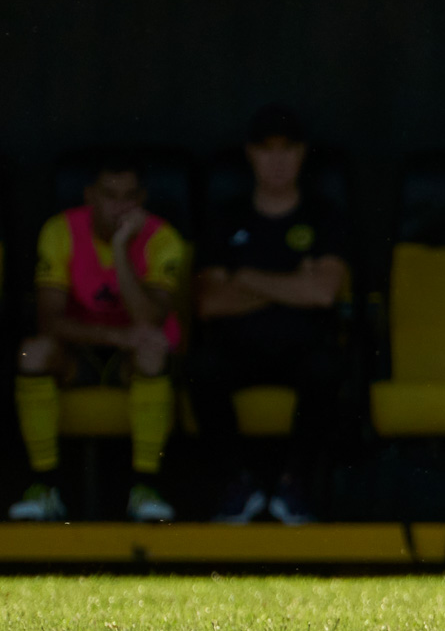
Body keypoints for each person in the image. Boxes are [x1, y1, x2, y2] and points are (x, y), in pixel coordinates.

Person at [190, 105, 349, 524]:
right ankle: (236, 486)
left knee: (327, 370)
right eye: (267, 150)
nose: (277, 161)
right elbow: (209, 303)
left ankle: (294, 487)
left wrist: (243, 278)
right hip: (238, 348)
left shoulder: (324, 216)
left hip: (302, 348)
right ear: (251, 155)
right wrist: (291, 282)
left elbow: (323, 294)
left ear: (302, 155)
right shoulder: (226, 217)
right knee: (202, 369)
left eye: (287, 149)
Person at [9, 153, 183, 522]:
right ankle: (45, 486)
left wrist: (121, 249)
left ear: (142, 200)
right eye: (110, 195)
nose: (121, 206)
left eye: (130, 196)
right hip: (80, 354)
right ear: (90, 196)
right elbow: (49, 320)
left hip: (134, 359)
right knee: (32, 353)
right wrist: (117, 336)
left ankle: (145, 488)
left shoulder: (163, 238)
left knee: (153, 353)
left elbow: (149, 320)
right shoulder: (60, 230)